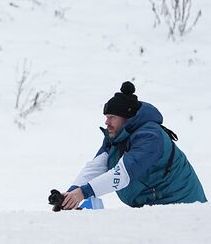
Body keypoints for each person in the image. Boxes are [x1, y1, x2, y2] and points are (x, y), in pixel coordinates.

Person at [59, 81, 207, 210]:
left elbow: (122, 174)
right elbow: (98, 165)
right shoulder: (116, 135)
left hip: (184, 205)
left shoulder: (150, 137)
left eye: (112, 117)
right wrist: (70, 193)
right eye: (106, 117)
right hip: (157, 205)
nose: (106, 122)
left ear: (127, 118)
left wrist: (83, 193)